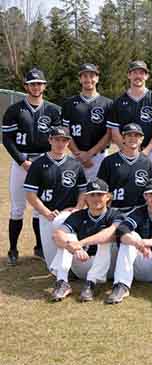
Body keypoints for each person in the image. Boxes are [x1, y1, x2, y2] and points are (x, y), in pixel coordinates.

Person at [3, 67, 62, 265]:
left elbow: (59, 138)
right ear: (26, 86)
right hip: (22, 161)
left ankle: (39, 247)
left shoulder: (53, 111)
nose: (36, 87)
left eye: (39, 83)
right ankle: (12, 249)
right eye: (32, 84)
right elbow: (7, 139)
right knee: (18, 208)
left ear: (44, 86)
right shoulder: (14, 110)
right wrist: (22, 161)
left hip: (44, 162)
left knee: (40, 208)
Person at [48, 179, 121, 302]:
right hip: (82, 262)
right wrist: (72, 246)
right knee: (67, 237)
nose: (95, 198)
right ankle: (62, 282)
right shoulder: (78, 215)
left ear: (108, 197)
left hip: (108, 267)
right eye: (92, 194)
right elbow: (57, 235)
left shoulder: (115, 215)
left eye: (100, 194)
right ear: (86, 198)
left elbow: (108, 234)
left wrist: (81, 243)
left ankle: (92, 283)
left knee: (105, 240)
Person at [24, 126, 87, 268]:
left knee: (72, 259)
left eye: (64, 140)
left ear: (68, 142)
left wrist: (78, 208)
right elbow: (30, 194)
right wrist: (46, 212)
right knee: (51, 264)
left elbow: (83, 190)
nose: (60, 143)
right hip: (48, 215)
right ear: (50, 140)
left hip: (69, 215)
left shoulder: (75, 164)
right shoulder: (38, 164)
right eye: (57, 139)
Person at [107, 60, 152, 175]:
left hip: (149, 151)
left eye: (141, 73)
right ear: (129, 75)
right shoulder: (119, 102)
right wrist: (127, 150)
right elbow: (114, 132)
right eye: (134, 72)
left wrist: (146, 152)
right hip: (124, 151)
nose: (138, 76)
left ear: (146, 76)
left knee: (151, 187)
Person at [61, 63, 113, 180]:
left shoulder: (108, 104)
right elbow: (65, 132)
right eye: (84, 76)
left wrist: (89, 154)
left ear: (97, 78)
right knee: (75, 194)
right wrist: (79, 154)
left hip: (99, 156)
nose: (88, 79)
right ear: (80, 79)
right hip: (75, 155)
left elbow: (109, 134)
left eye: (92, 76)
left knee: (98, 194)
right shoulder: (69, 104)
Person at [97, 123, 152, 213]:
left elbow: (150, 189)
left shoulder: (146, 162)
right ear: (123, 138)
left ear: (141, 139)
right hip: (115, 210)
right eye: (129, 135)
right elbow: (100, 188)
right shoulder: (109, 161)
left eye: (136, 135)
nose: (133, 138)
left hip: (140, 211)